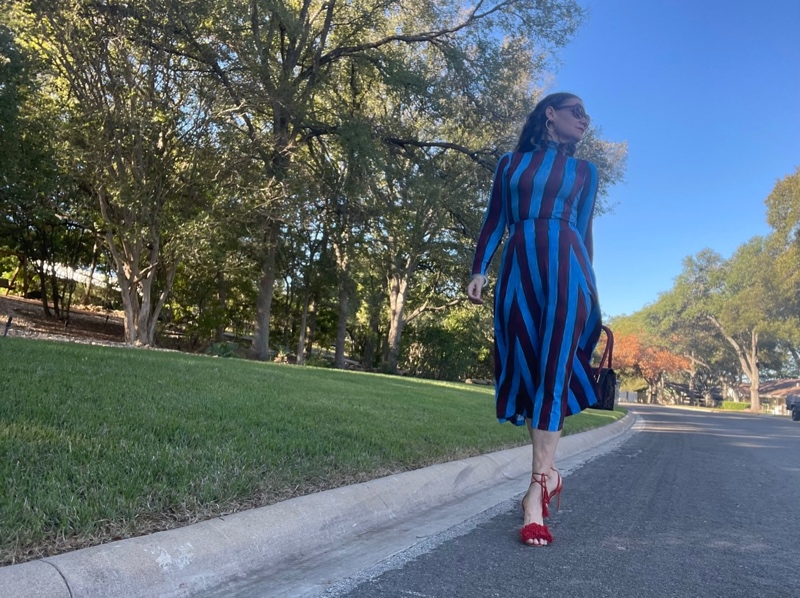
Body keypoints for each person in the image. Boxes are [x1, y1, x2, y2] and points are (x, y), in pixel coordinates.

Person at [466, 92, 601, 547]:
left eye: (586, 115)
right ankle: (547, 476)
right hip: (520, 272)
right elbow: (495, 220)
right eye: (576, 112)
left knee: (554, 370)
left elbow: (584, 233)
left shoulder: (585, 173)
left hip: (569, 272)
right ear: (550, 115)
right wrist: (479, 269)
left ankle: (535, 493)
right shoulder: (510, 164)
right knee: (528, 370)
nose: (585, 120)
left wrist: (593, 292)